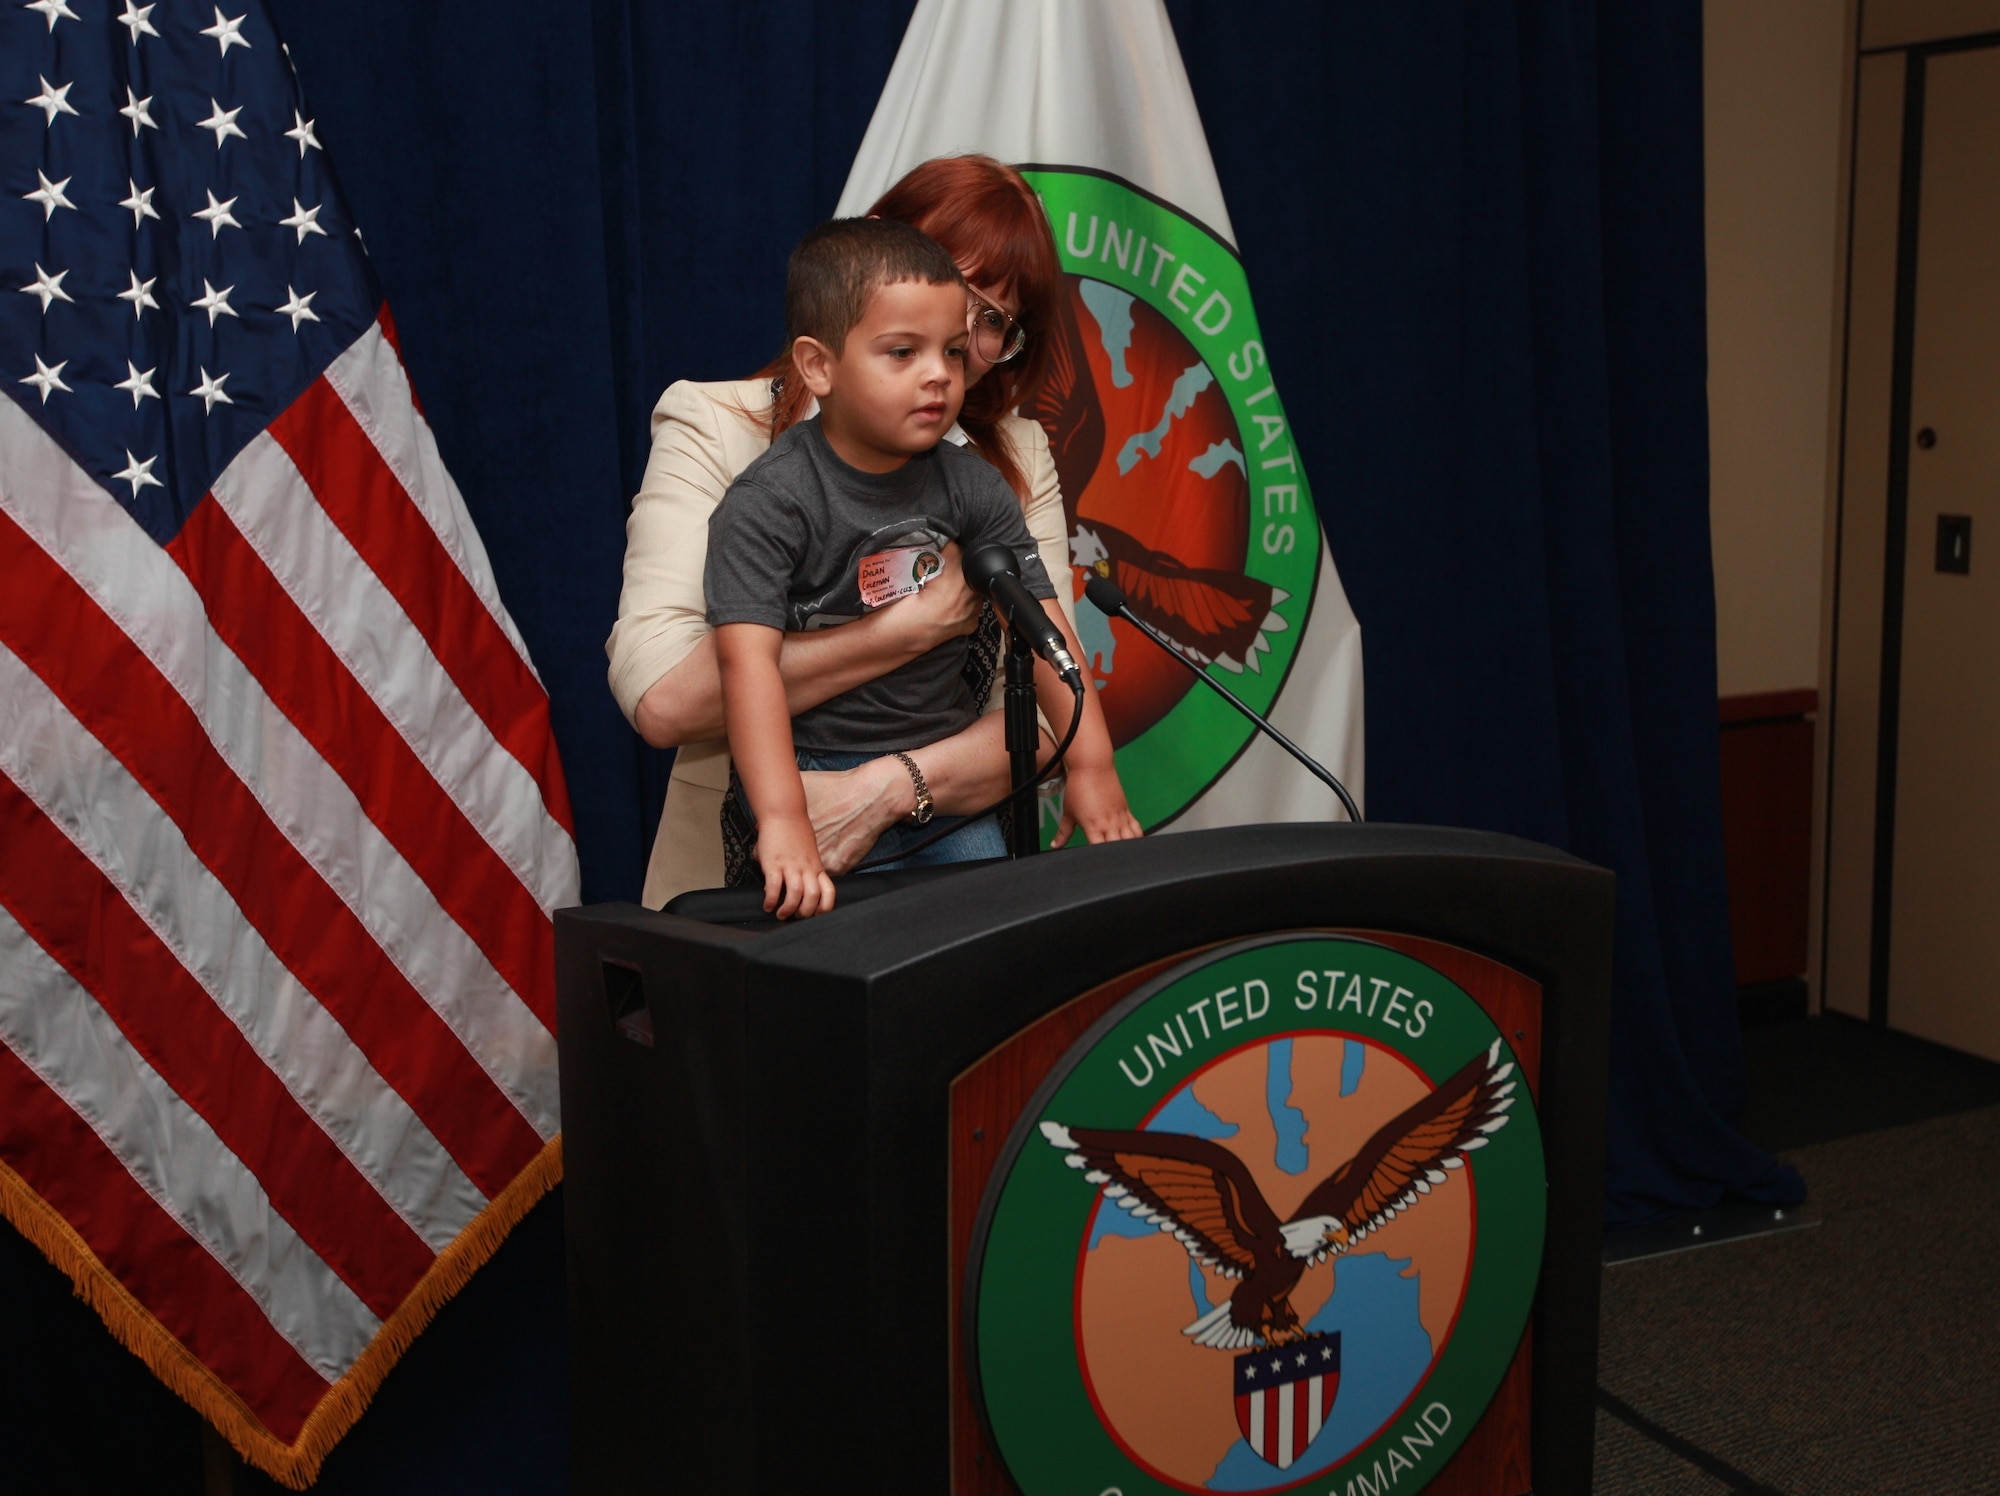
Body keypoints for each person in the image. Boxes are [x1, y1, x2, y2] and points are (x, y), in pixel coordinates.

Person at [608, 155, 1139, 910]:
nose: (949, 352)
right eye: (912, 334)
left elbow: (1044, 684)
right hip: (756, 849)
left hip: (942, 818)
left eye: (985, 328)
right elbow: (665, 698)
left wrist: (894, 788)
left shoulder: (1001, 466)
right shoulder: (729, 441)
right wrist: (907, 632)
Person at [707, 218, 1065, 918]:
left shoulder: (976, 484)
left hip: (941, 772)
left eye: (954, 353)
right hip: (801, 773)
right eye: (903, 352)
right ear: (817, 366)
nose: (939, 374)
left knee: (986, 946)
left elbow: (1043, 623)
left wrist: (1093, 769)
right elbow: (746, 669)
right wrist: (781, 820)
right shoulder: (767, 502)